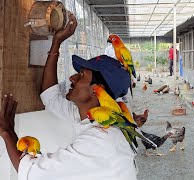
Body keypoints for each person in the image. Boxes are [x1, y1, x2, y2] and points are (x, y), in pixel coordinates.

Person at [0, 14, 138, 180]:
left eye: (81, 75)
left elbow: (32, 172)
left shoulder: (101, 141)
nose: (72, 78)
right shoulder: (89, 117)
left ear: (96, 90)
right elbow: (49, 96)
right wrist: (56, 43)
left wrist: (7, 131)